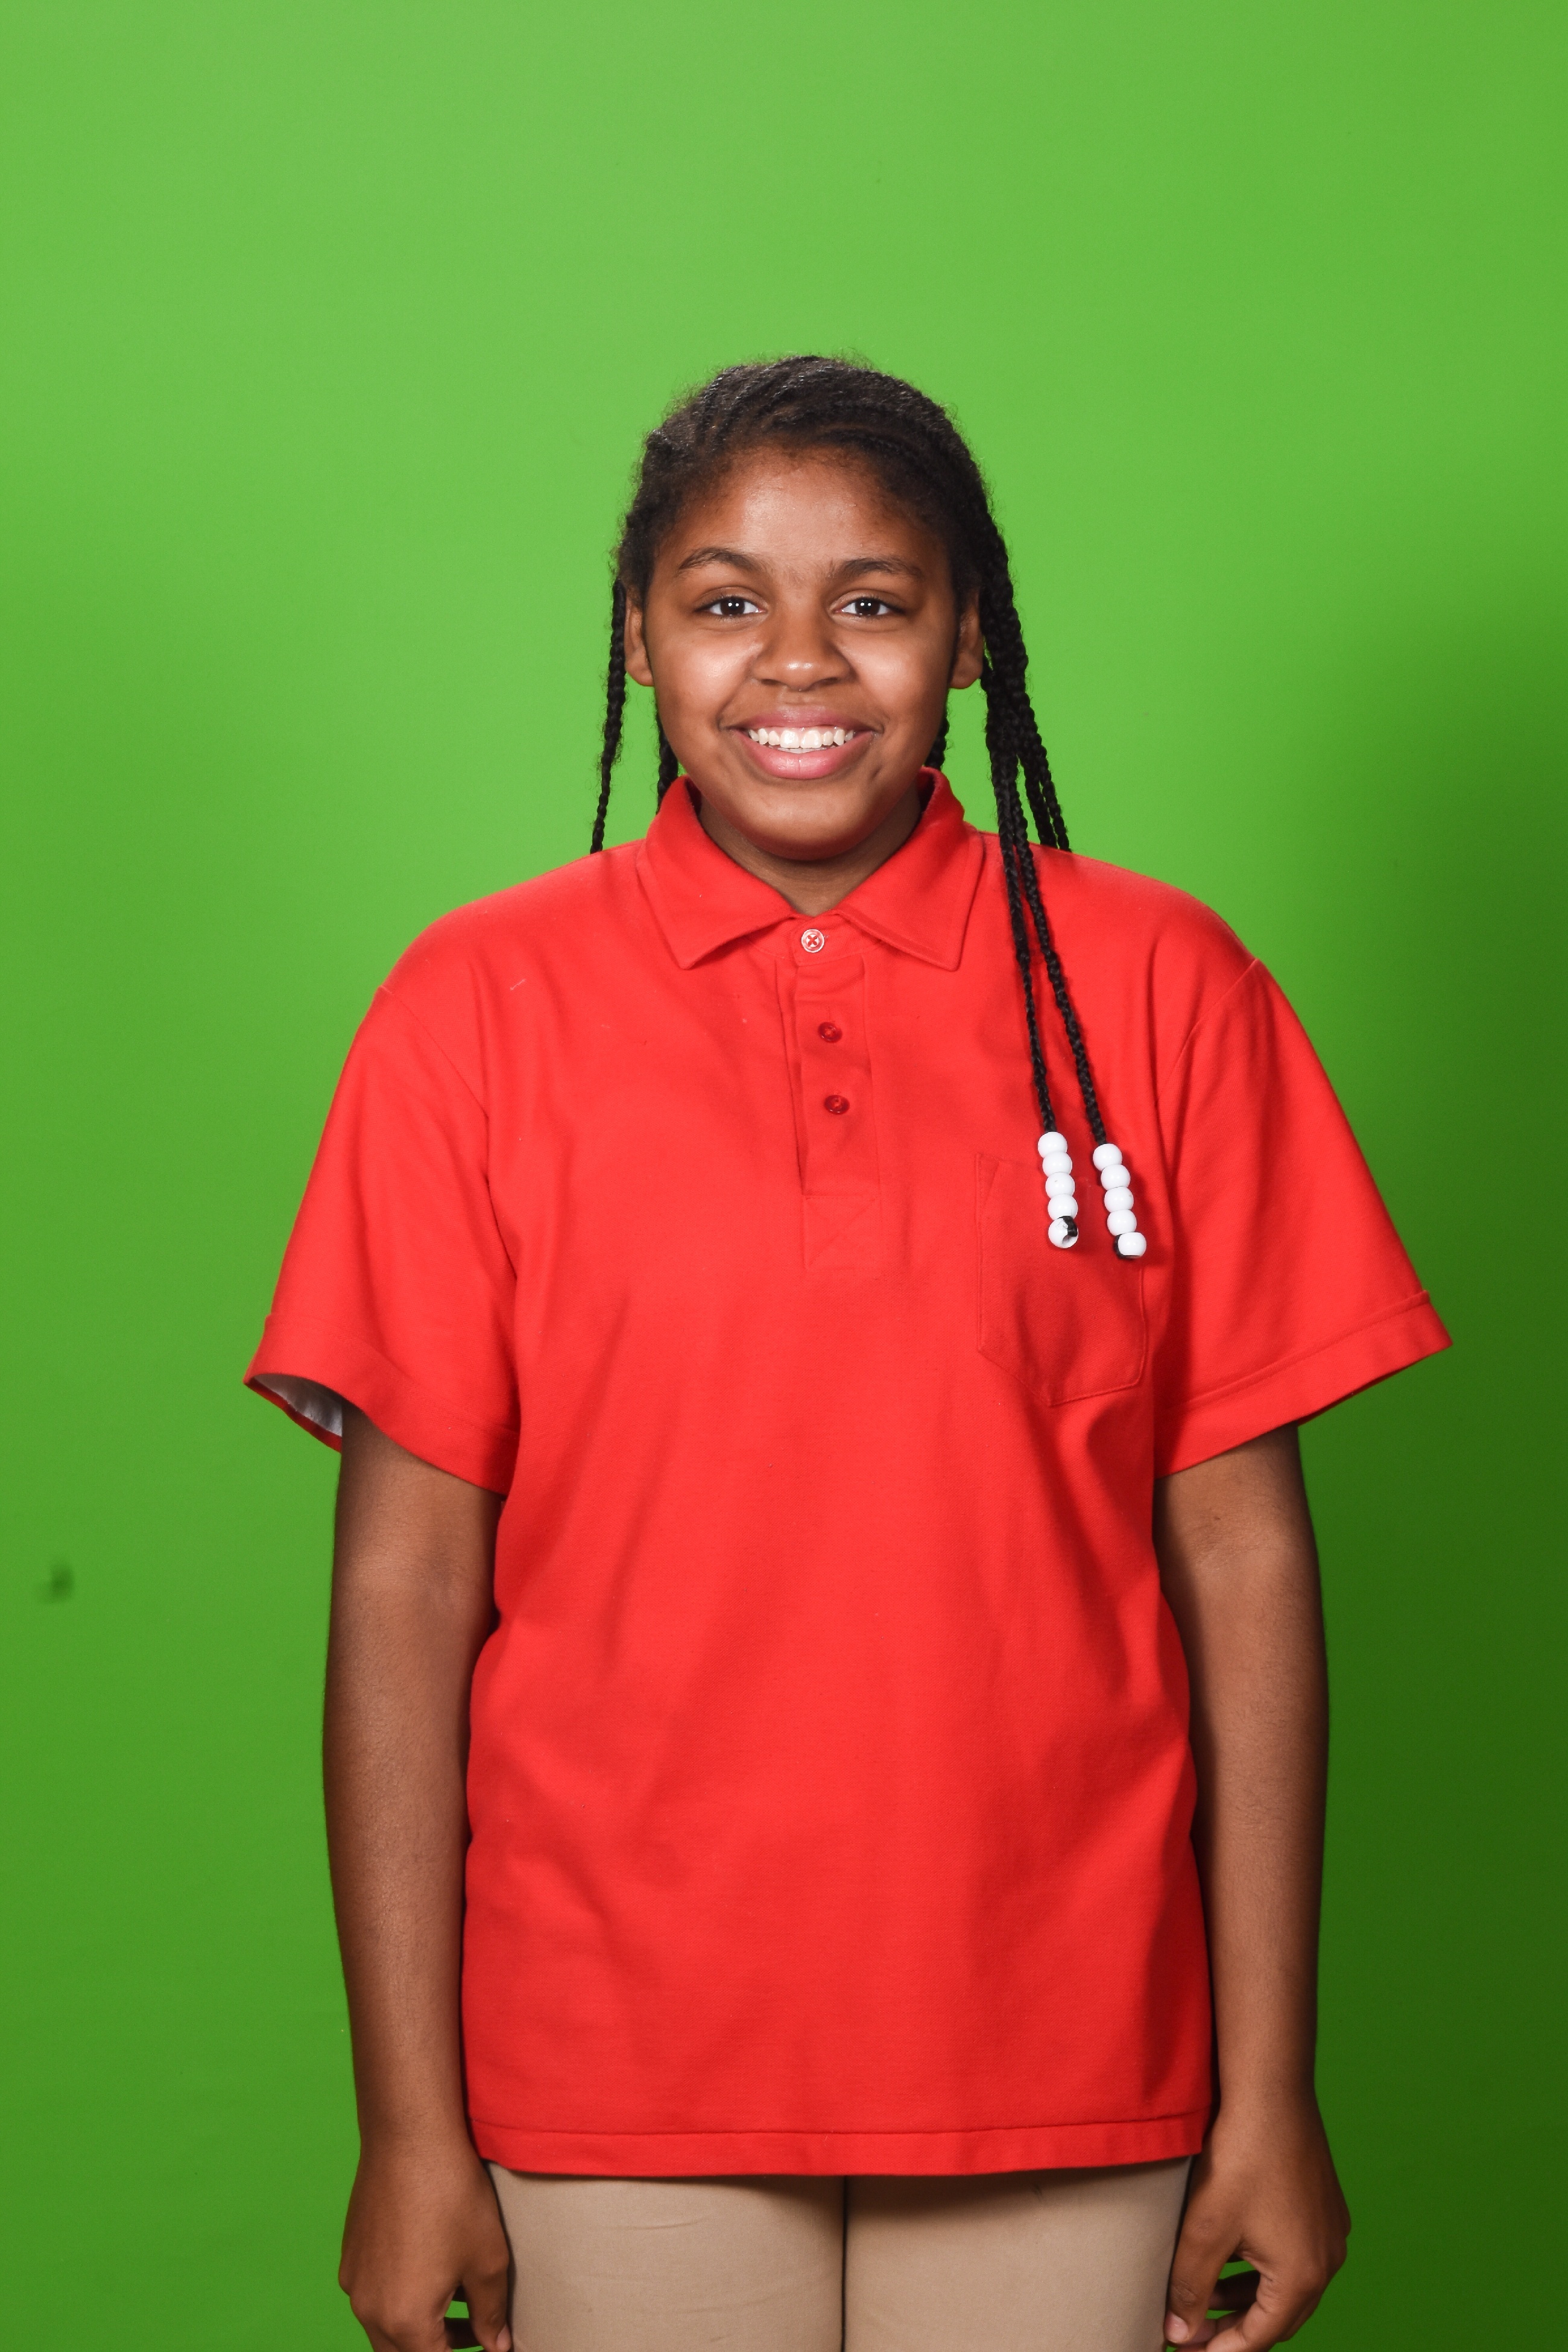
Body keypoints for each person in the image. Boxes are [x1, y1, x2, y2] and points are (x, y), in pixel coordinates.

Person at [247, 357, 1449, 2352]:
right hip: (607, 2058)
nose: (798, 660)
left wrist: (1274, 2086)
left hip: (1071, 2038)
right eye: (726, 599)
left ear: (969, 637)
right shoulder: (473, 1010)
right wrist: (405, 2125)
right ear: (637, 638)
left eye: (874, 601)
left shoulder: (1165, 987)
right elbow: (403, 1584)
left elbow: (1243, 1565)